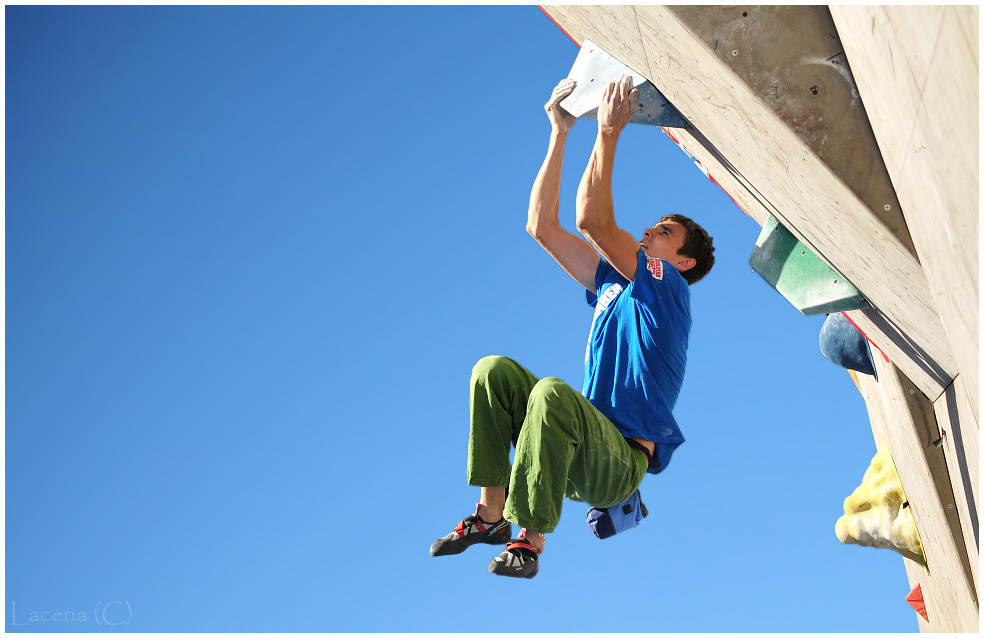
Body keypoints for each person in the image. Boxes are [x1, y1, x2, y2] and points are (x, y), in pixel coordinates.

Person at [429, 75, 716, 579]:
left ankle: (529, 540)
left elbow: (595, 222)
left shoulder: (670, 290)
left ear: (684, 262)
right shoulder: (614, 283)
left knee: (553, 394)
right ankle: (490, 515)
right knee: (493, 371)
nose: (650, 231)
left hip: (618, 465)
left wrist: (608, 132)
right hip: (576, 446)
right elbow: (542, 226)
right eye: (654, 226)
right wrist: (560, 132)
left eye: (665, 233)